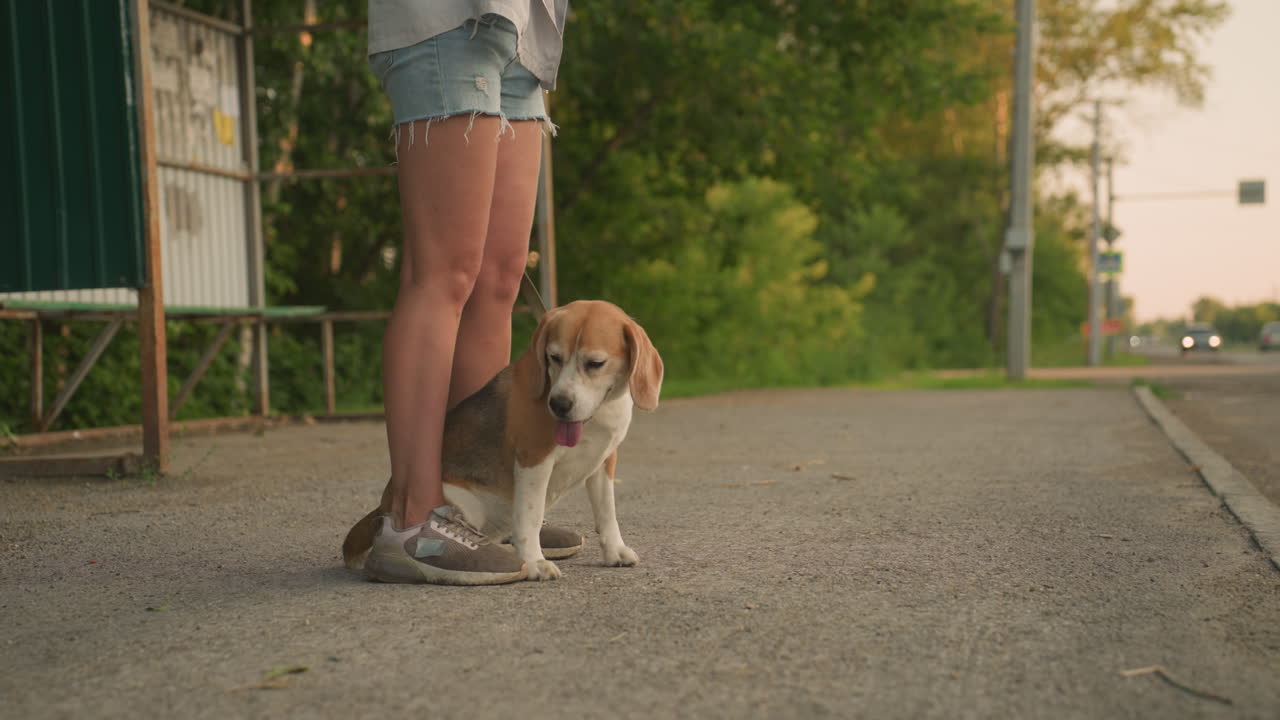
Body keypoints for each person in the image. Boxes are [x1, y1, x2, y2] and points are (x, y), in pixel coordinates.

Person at [364, 0, 573, 585]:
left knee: (497, 279)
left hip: (523, 29)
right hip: (447, 20)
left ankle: (476, 507)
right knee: (443, 271)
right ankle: (410, 521)